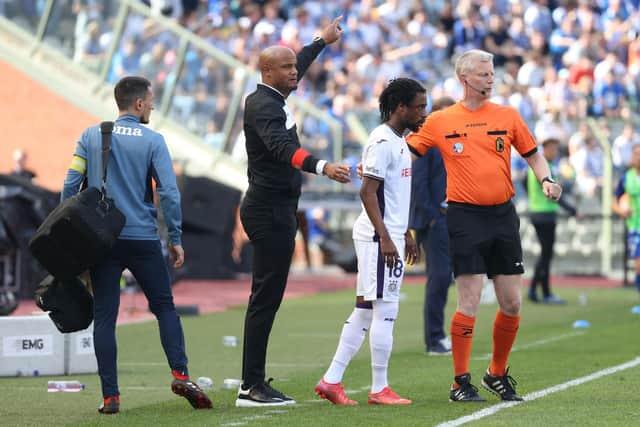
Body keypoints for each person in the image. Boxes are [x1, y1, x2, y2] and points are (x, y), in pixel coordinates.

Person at [406, 49, 563, 402]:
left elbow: (533, 154)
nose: (490, 79)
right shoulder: (441, 121)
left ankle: (496, 372)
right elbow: (407, 153)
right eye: (483, 74)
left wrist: (546, 180)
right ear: (465, 79)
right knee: (470, 300)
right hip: (463, 217)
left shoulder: (507, 115)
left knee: (511, 303)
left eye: (491, 74)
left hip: (503, 216)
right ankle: (460, 381)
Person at [61, 76, 212, 414]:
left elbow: (71, 184)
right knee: (164, 308)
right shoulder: (153, 139)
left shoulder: (91, 135)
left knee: (105, 318)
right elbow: (169, 193)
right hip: (142, 238)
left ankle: (111, 397)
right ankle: (181, 373)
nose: (153, 106)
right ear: (140, 104)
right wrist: (174, 237)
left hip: (102, 241)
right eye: (151, 100)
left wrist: (69, 234)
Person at [237, 17, 351, 407]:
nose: (294, 73)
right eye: (286, 68)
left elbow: (298, 62)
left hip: (277, 207)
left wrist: (321, 41)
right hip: (268, 209)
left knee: (268, 297)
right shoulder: (263, 106)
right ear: (267, 72)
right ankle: (251, 385)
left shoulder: (273, 92)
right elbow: (282, 150)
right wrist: (323, 167)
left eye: (293, 66)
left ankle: (252, 382)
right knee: (265, 298)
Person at [315, 78, 424, 406]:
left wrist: (405, 233)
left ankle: (331, 380)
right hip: (378, 238)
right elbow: (368, 192)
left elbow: (393, 192)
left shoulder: (400, 141)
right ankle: (379, 388)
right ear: (400, 107)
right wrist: (386, 237)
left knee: (365, 310)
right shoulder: (382, 140)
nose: (424, 113)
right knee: (386, 309)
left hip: (389, 234)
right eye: (419, 106)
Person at [410, 95, 456, 356]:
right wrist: (431, 215)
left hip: (451, 216)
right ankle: (434, 338)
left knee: (446, 276)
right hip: (437, 217)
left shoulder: (449, 140)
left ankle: (440, 335)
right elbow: (419, 181)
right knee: (438, 276)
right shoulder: (427, 141)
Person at [526, 138, 577, 304]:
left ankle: (535, 290)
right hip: (545, 215)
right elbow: (555, 195)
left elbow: (523, 182)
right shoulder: (544, 170)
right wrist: (573, 210)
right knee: (546, 254)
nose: (555, 153)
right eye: (553, 149)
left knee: (545, 254)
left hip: (538, 213)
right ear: (545, 149)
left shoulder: (541, 168)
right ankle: (543, 292)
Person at [612, 144, 640, 297]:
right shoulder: (626, 178)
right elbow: (614, 201)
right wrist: (621, 211)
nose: (639, 157)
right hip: (635, 226)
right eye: (636, 154)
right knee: (638, 263)